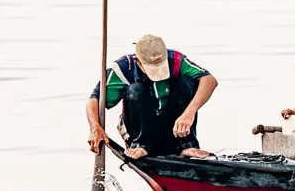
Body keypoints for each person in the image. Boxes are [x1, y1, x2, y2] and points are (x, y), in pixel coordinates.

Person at [86, 34, 217, 160]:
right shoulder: (124, 68)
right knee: (135, 90)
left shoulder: (176, 60)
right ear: (138, 61)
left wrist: (189, 113)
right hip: (140, 127)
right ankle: (142, 145)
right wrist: (95, 127)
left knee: (187, 82)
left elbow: (209, 80)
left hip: (172, 125)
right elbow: (95, 100)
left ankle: (185, 144)